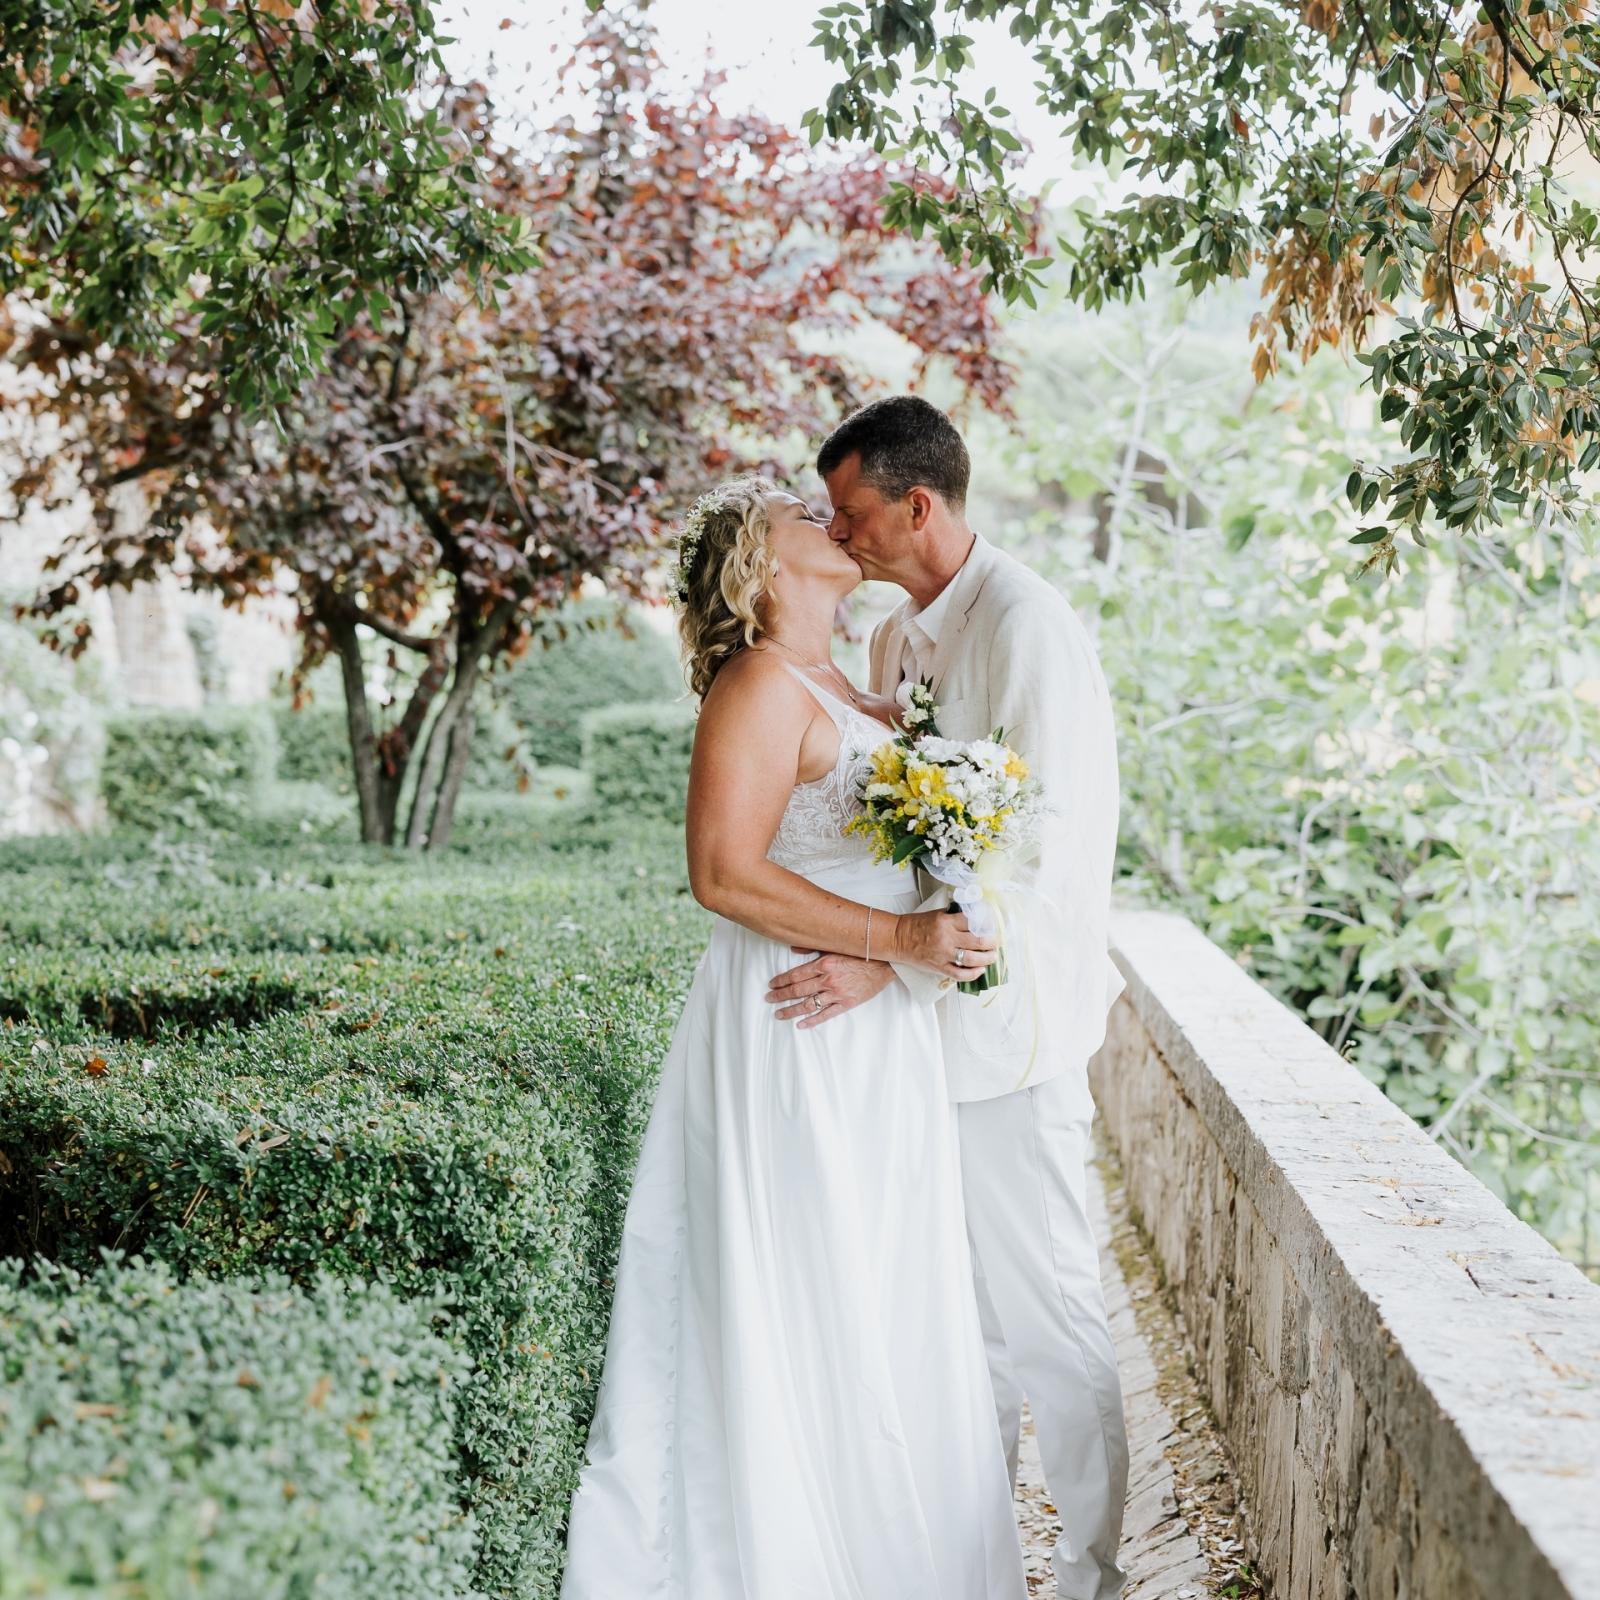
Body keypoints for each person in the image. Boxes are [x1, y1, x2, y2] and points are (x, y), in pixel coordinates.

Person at [559, 475, 1027, 1598]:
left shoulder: (865, 684)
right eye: (786, 507)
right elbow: (721, 872)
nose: (817, 509)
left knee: (882, 1275)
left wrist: (901, 956)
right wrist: (894, 938)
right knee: (804, 1269)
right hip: (790, 1022)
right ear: (757, 567)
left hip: (873, 1023)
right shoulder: (758, 684)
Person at [766, 396, 1130, 1600]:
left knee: (1049, 1308)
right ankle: (971, 1570)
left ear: (916, 505)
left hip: (1008, 1032)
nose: (838, 530)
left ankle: (1088, 1574)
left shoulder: (1028, 625)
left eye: (850, 511)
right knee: (956, 1318)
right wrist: (890, 948)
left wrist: (894, 957)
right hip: (917, 1027)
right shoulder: (894, 643)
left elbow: (1048, 849)